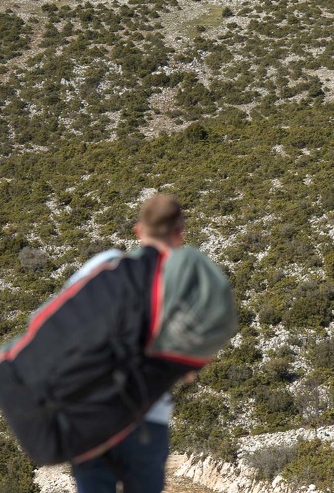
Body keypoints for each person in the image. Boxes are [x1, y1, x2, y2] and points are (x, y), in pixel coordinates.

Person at [67, 194, 190, 493]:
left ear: (138, 230)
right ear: (179, 233)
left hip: (89, 418)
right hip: (145, 419)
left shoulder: (99, 266)